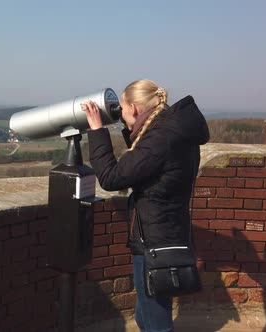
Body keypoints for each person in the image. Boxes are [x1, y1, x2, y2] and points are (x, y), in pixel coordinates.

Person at [82, 79, 210, 332]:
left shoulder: (161, 139)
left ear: (135, 108)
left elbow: (111, 177)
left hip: (155, 239)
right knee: (146, 313)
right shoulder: (171, 131)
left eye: (121, 108)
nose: (120, 114)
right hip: (166, 231)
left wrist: (97, 130)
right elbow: (141, 164)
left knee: (154, 320)